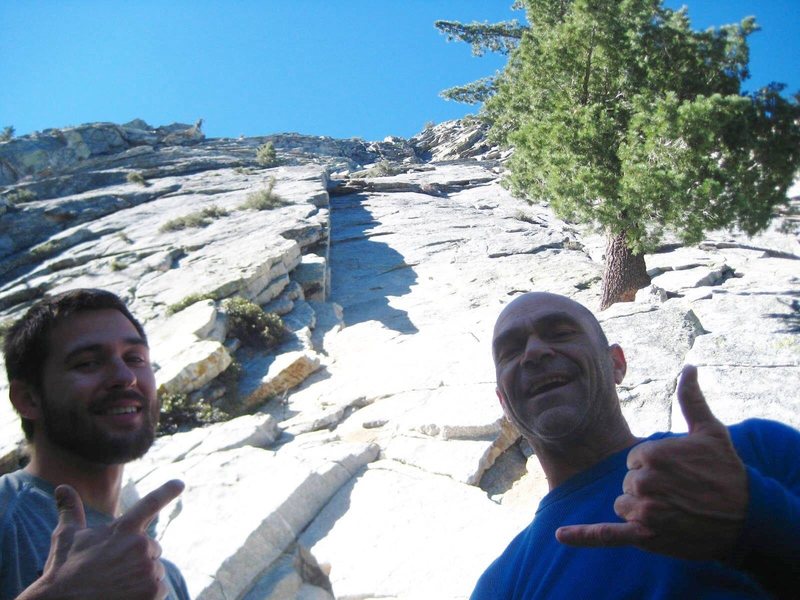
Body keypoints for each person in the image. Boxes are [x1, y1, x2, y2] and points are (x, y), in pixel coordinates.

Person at [472, 291, 800, 599]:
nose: (533, 353)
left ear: (617, 363)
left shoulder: (759, 450)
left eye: (560, 332)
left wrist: (758, 521)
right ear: (504, 402)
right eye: (511, 350)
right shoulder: (500, 586)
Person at [1, 288, 190, 600]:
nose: (125, 376)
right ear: (28, 398)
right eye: (87, 363)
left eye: (135, 358)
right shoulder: (7, 517)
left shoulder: (160, 575)